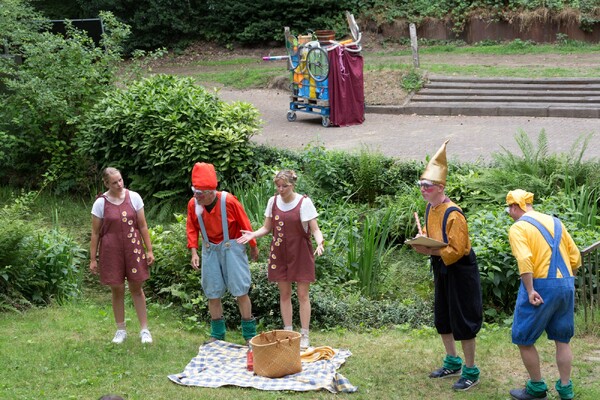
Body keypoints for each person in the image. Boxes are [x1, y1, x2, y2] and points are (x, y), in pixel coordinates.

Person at [409, 140, 483, 391]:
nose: (422, 190)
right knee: (442, 316)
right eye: (420, 185)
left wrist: (430, 250)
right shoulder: (431, 208)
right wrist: (423, 243)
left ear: (440, 187)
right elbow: (435, 240)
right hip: (442, 268)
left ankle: (471, 370)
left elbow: (457, 249)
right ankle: (453, 361)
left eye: (427, 186)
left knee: (463, 319)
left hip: (460, 270)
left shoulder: (454, 214)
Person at [505, 189, 581, 400]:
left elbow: (524, 260)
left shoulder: (519, 228)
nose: (509, 213)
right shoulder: (556, 222)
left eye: (509, 209)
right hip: (565, 283)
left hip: (539, 285)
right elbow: (575, 257)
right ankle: (566, 390)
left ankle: (537, 389)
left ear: (514, 206)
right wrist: (565, 282)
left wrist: (530, 290)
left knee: (524, 338)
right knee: (562, 339)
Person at [237, 169, 324, 349]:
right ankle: (288, 332)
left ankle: (305, 335)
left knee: (302, 295)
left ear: (293, 185)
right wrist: (253, 234)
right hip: (280, 252)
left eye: (285, 186)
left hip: (300, 251)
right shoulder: (273, 201)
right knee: (284, 294)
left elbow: (315, 229)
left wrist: (320, 242)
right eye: (278, 186)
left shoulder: (304, 202)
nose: (280, 189)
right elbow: (267, 228)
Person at [186, 162, 259, 344]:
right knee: (212, 292)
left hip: (232, 249)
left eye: (200, 193)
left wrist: (253, 245)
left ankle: (249, 335)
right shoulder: (193, 204)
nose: (196, 197)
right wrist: (194, 252)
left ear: (211, 192)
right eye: (194, 192)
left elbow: (245, 224)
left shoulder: (228, 201)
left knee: (241, 290)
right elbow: (191, 229)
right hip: (210, 249)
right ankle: (217, 335)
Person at [90, 167, 155, 344]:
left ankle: (144, 330)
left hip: (133, 249)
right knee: (117, 289)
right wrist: (93, 259)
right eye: (114, 182)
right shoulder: (100, 203)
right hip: (111, 251)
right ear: (106, 183)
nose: (119, 184)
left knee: (136, 288)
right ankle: (120, 330)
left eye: (120, 180)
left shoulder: (134, 197)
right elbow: (95, 233)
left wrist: (149, 250)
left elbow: (142, 226)